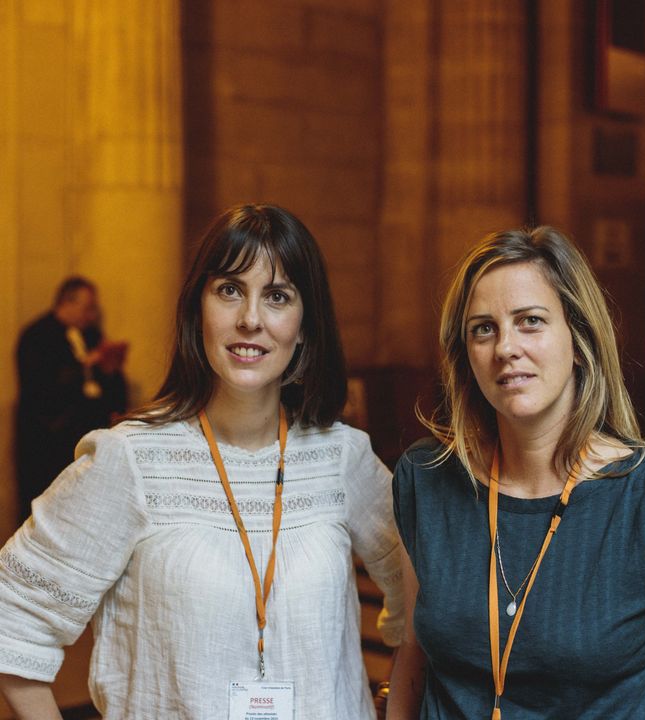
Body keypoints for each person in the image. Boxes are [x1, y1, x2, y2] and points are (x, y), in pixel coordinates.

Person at [0, 204, 403, 719]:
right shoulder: (132, 459)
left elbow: (429, 602)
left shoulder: (342, 456)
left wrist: (396, 703)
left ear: (305, 326)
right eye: (229, 290)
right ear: (198, 309)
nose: (250, 319)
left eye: (277, 296)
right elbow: (14, 614)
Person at [388, 226, 645, 719]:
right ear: (466, 355)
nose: (505, 347)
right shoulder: (427, 478)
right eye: (484, 328)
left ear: (579, 338)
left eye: (530, 321)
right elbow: (414, 658)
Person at [15, 276, 128, 523]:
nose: (90, 316)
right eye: (87, 308)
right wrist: (86, 365)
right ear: (67, 302)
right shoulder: (37, 337)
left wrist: (108, 369)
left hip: (84, 442)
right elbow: (42, 389)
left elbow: (108, 387)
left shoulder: (91, 336)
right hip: (47, 444)